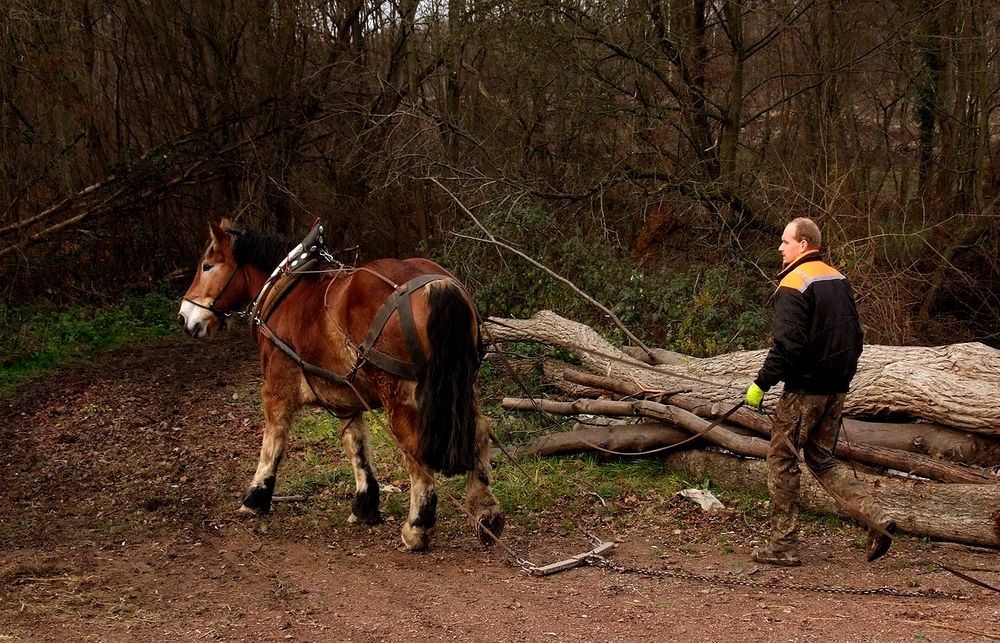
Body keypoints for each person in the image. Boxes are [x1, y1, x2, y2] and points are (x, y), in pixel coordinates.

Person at [745, 217, 895, 567]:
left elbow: (787, 346)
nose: (780, 248)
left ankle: (783, 545)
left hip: (805, 391)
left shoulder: (794, 283)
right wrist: (842, 376)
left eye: (785, 241)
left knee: (782, 460)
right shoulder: (838, 279)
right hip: (836, 388)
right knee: (822, 459)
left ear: (803, 245)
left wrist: (761, 383)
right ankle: (877, 519)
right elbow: (856, 336)